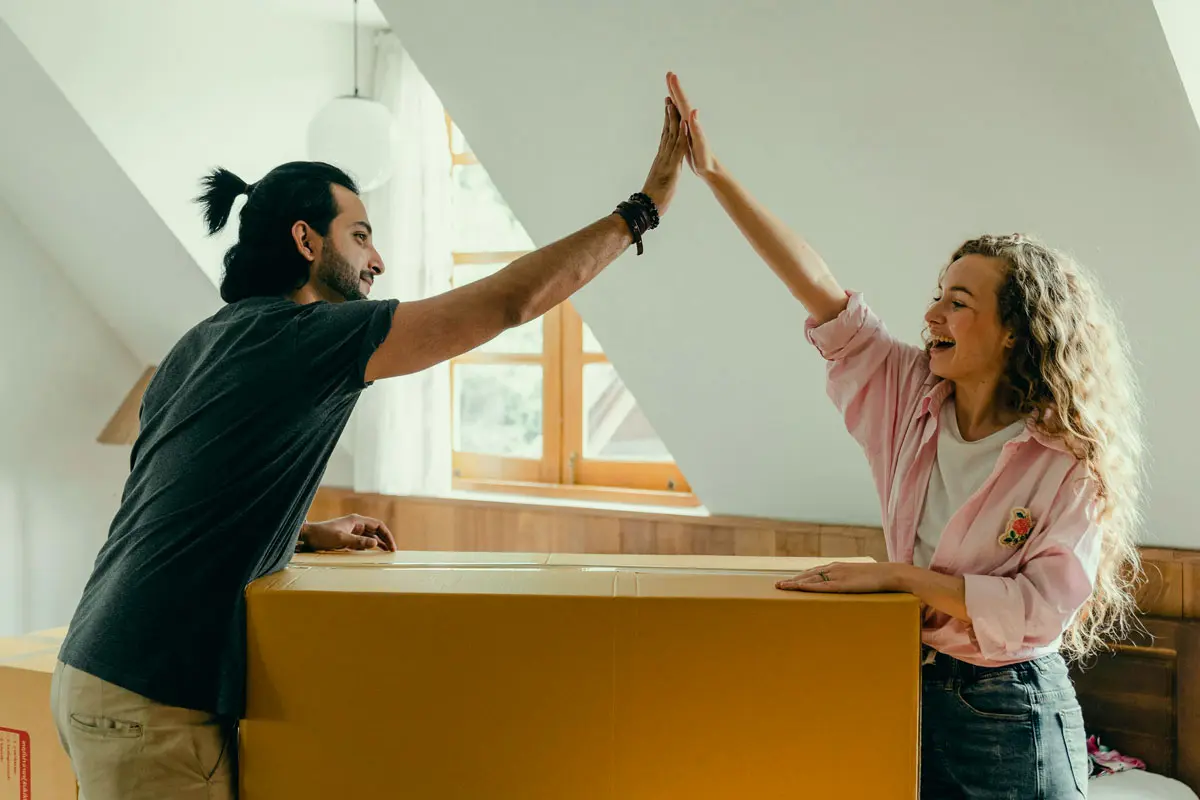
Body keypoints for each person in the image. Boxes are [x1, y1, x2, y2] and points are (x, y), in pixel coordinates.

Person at [50, 96, 690, 799]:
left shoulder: (203, 340)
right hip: (152, 698)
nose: (377, 258)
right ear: (306, 241)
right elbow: (510, 303)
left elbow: (184, 503)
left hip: (95, 665)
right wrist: (643, 209)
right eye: (360, 235)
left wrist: (304, 531)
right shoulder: (308, 338)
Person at [666, 73, 1144, 798]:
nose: (933, 316)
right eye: (936, 296)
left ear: (1016, 333)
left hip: (1011, 712)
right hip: (908, 686)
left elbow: (1037, 611)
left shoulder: (1067, 462)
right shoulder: (906, 397)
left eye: (958, 302)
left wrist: (897, 578)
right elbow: (818, 285)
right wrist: (716, 174)